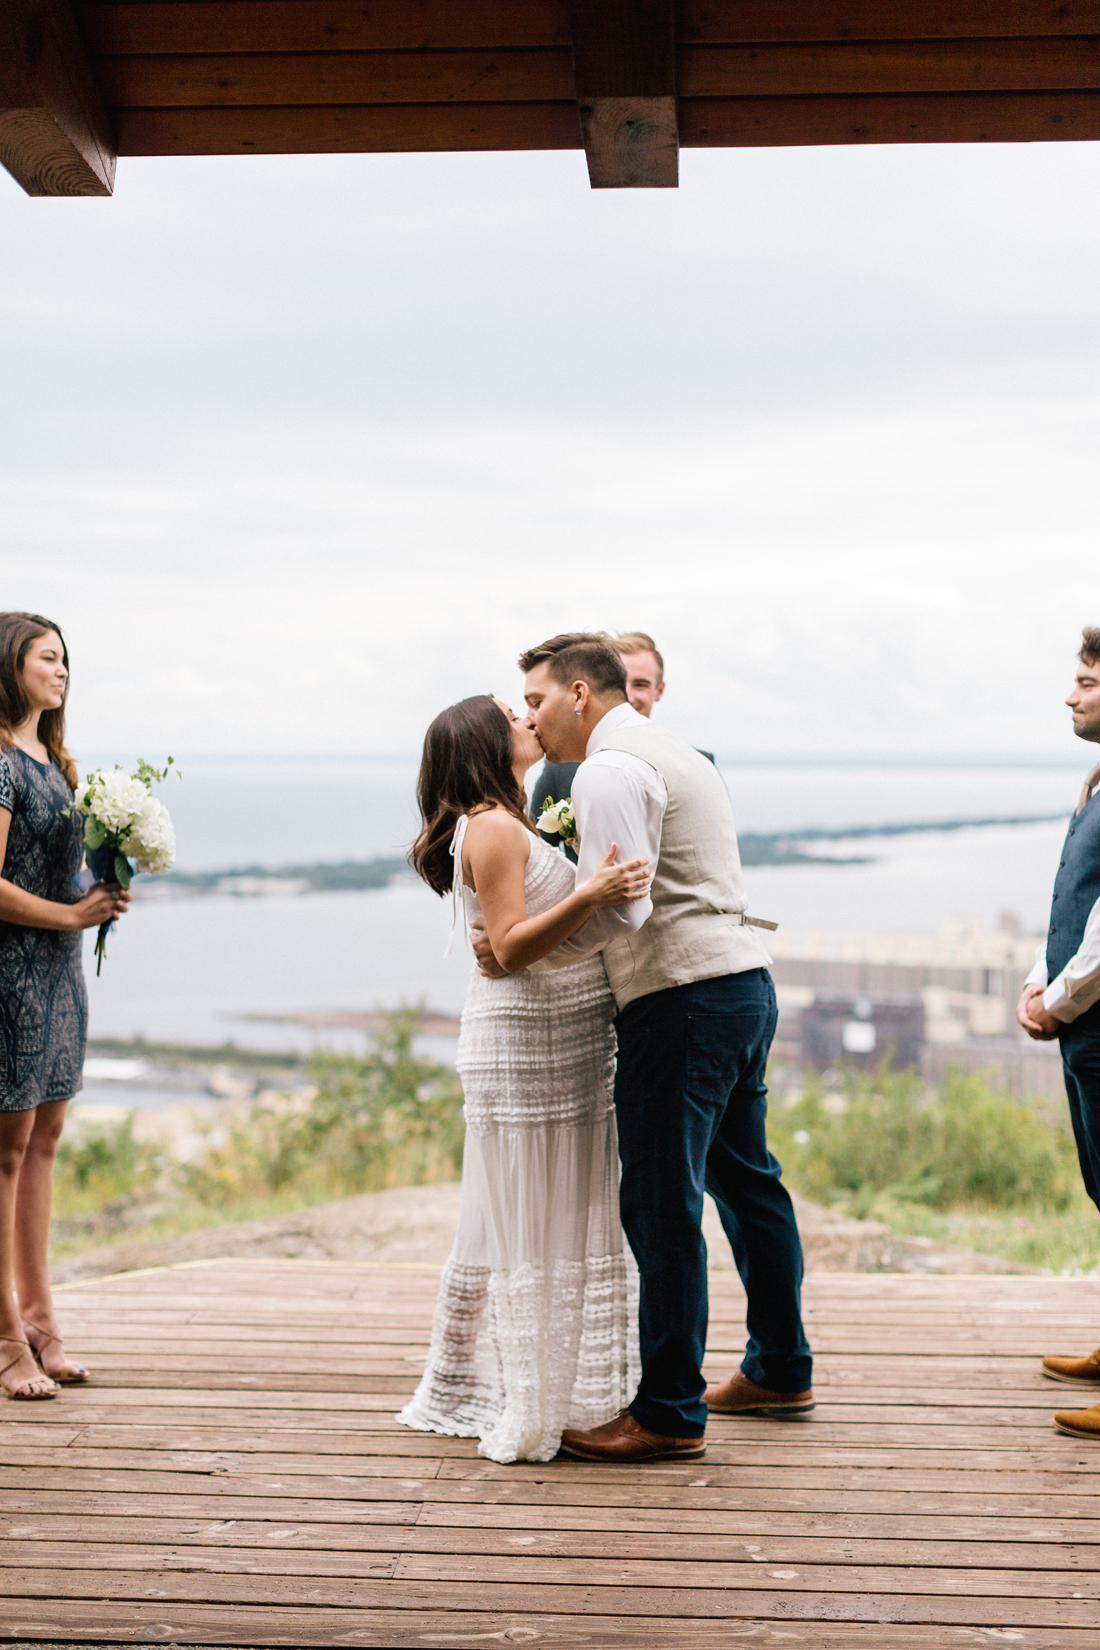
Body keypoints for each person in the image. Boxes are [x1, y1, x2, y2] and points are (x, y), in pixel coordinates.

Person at [477, 633, 811, 1464]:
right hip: (736, 986)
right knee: (745, 1180)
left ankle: (666, 1411)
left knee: (661, 1206)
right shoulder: (666, 751)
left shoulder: (609, 770)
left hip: (683, 1003)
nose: (531, 715)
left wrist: (518, 948)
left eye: (540, 699)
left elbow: (621, 911)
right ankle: (779, 1367)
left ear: (582, 695)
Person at [397, 693, 650, 1462]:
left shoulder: (501, 821)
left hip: (555, 1037)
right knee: (538, 1211)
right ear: (483, 741)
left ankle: (551, 1386)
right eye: (512, 714)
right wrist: (593, 893)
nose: (528, 719)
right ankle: (538, 1398)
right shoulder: (499, 827)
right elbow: (507, 947)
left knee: (545, 1208)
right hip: (529, 1040)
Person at [0, 613, 129, 1399]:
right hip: (10, 975)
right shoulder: (1, 764)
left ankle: (43, 1323)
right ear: (10, 665)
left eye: (66, 661)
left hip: (59, 974)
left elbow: (60, 875)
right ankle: (4, 1339)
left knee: (44, 1142)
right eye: (49, 659)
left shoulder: (54, 758)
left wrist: (101, 890)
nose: (63, 672)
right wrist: (68, 915)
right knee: (4, 1153)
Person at [1016, 628, 1100, 1440]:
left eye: (1087, 682)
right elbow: (1074, 904)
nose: (1071, 695)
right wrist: (1041, 981)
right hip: (1085, 1022)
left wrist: (1059, 1001)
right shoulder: (1096, 778)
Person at [530, 631, 711, 857]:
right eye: (620, 684)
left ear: (659, 690)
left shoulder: (695, 762)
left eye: (641, 684)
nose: (627, 695)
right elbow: (537, 858)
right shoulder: (559, 768)